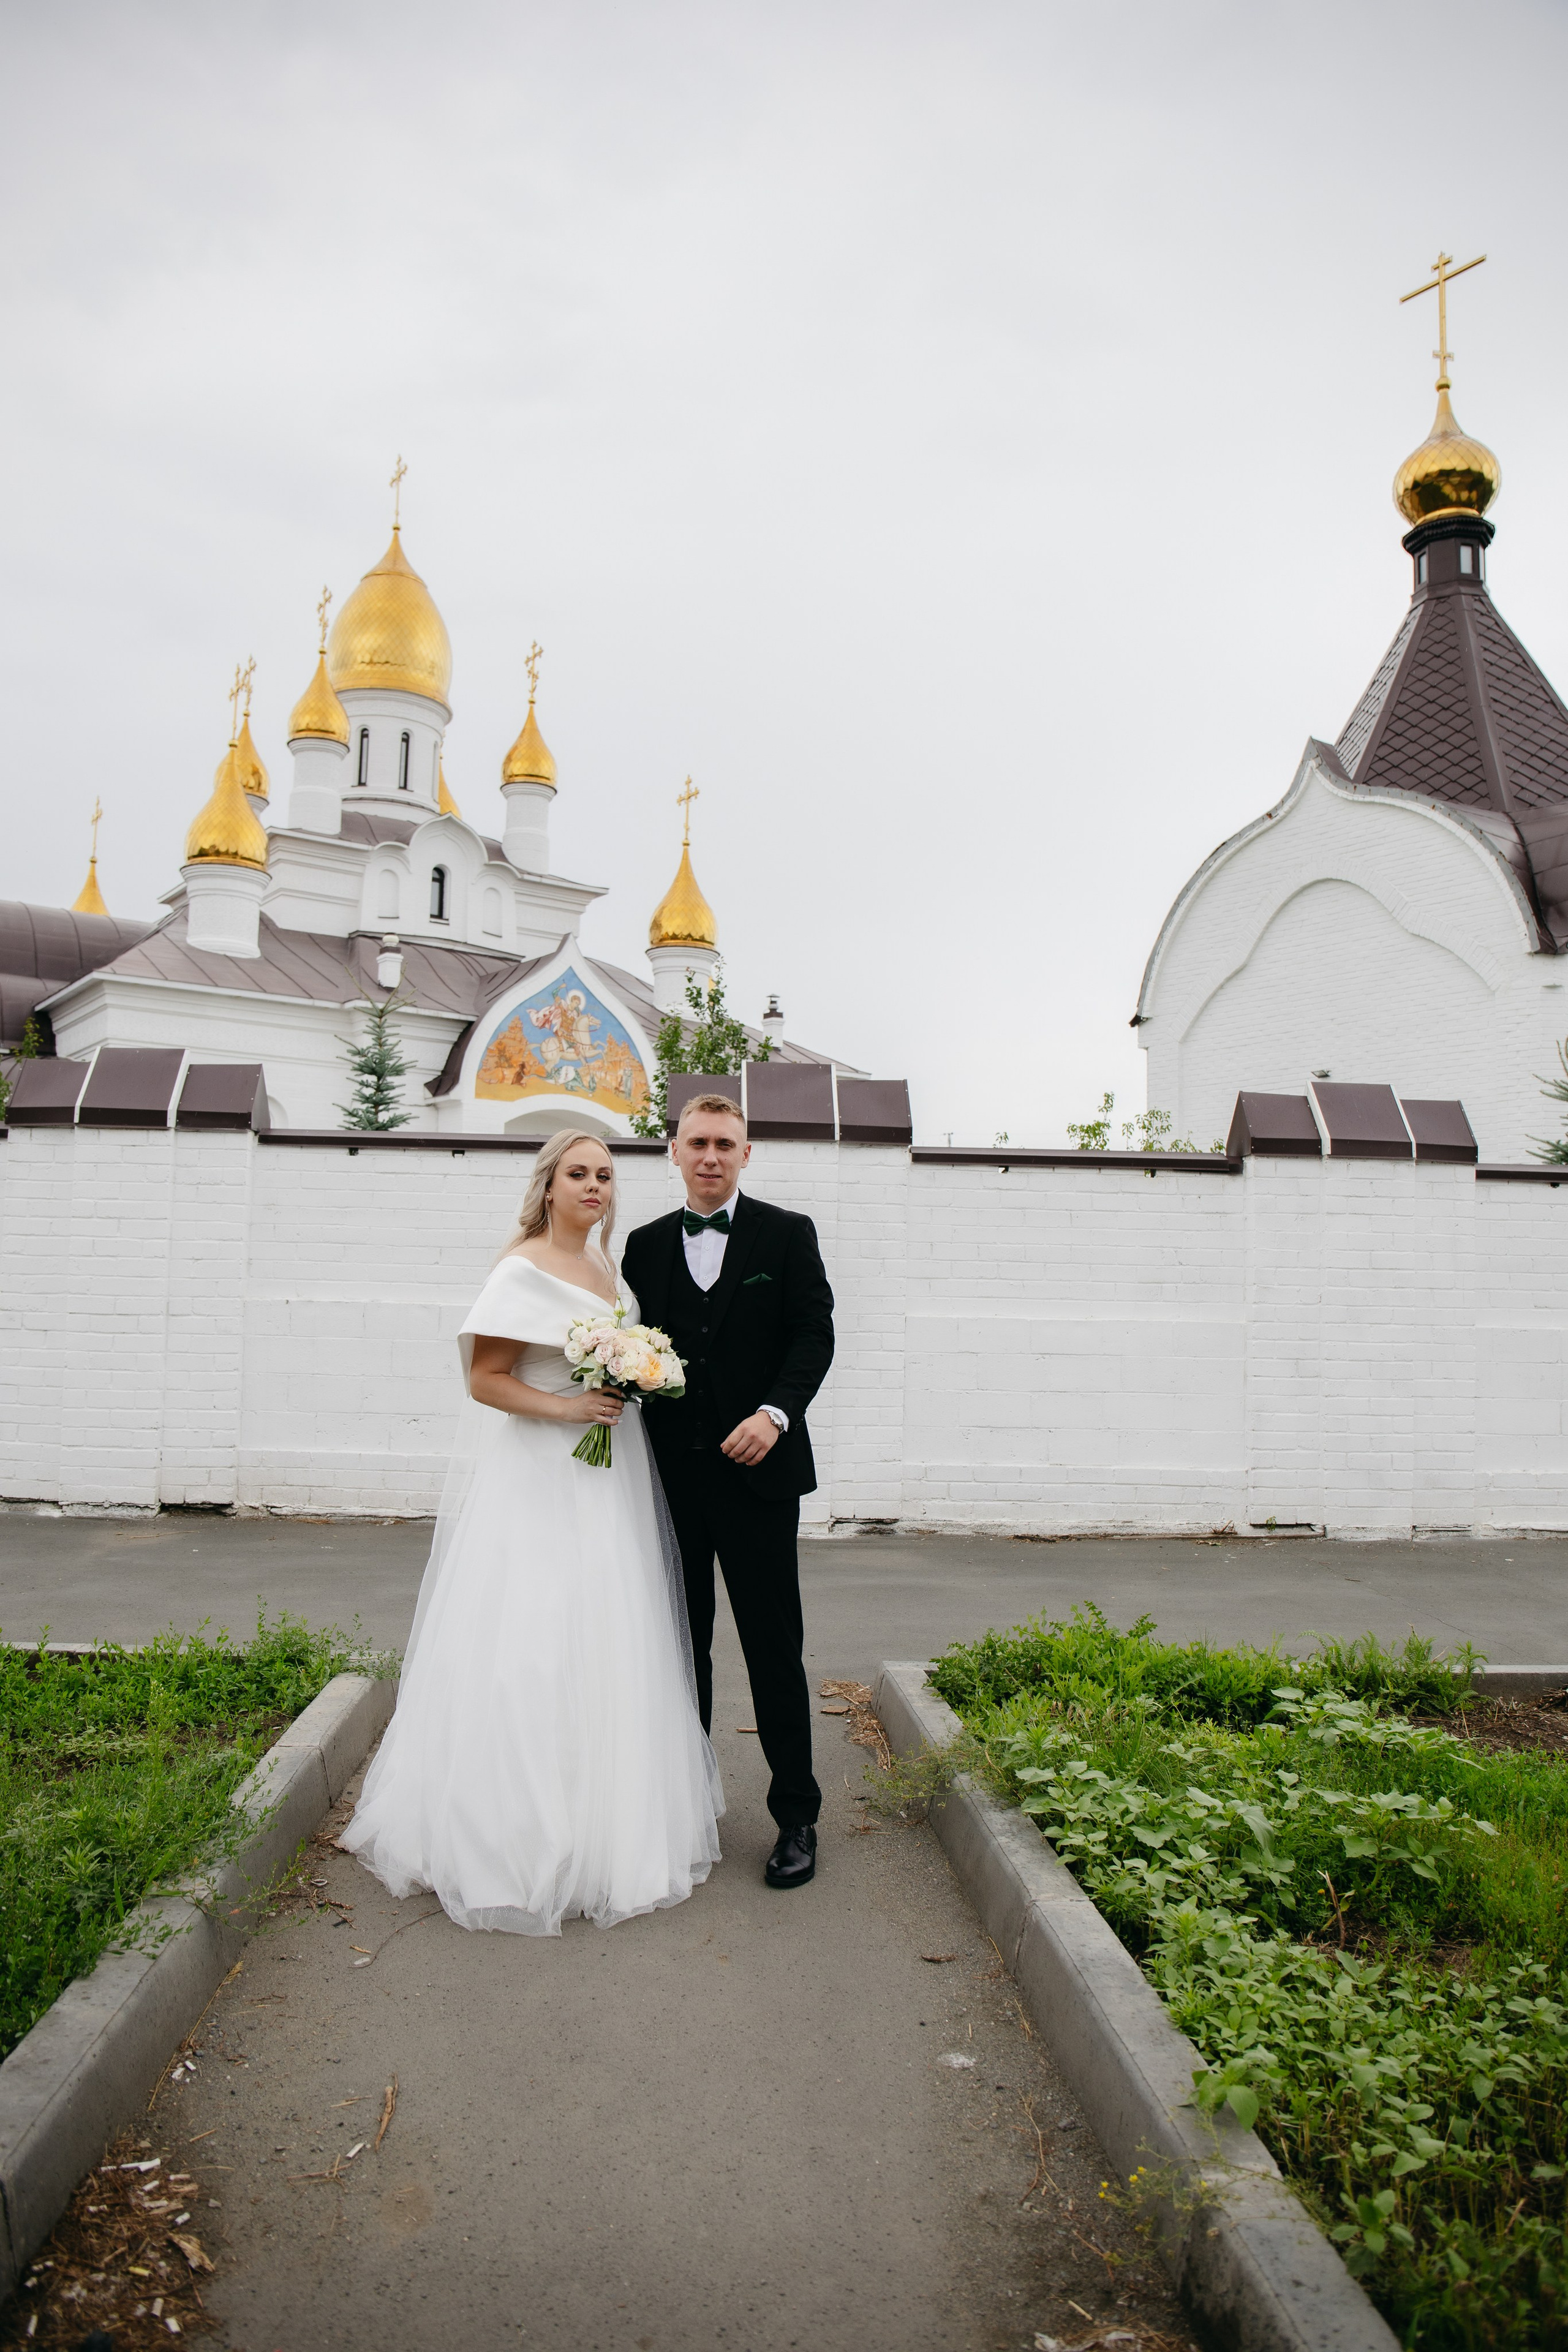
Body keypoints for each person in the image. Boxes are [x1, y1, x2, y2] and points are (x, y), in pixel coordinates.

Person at [341, 1129, 723, 1934]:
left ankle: (601, 1832)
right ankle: (511, 1838)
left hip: (608, 1477)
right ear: (549, 1186)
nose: (595, 1186)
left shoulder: (607, 1270)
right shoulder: (521, 1267)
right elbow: (485, 1379)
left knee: (604, 1638)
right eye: (578, 1174)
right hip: (539, 1477)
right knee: (530, 1642)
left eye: (606, 1176)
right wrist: (569, 1407)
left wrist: (627, 1382)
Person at [621, 1092, 835, 1890]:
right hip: (669, 1482)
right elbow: (633, 1347)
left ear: (747, 1155)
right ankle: (687, 1805)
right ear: (673, 1152)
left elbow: (815, 1331)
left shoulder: (787, 1234)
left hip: (761, 1481)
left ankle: (798, 1819)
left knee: (772, 1650)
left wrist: (775, 1414)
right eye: (697, 1142)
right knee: (683, 1648)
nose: (710, 1156)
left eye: (725, 1143)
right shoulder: (641, 1247)